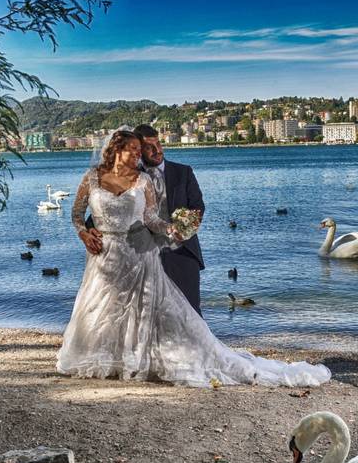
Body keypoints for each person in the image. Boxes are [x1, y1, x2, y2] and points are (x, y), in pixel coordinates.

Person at [57, 131, 331, 387]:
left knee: (145, 310)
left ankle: (140, 358)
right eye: (133, 150)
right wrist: (84, 234)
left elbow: (151, 218)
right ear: (115, 150)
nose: (138, 156)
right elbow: (77, 214)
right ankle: (109, 359)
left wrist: (172, 229)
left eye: (140, 151)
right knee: (104, 308)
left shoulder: (143, 181)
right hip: (104, 257)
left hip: (140, 255)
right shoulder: (92, 178)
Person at [80, 124, 205, 315]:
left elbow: (197, 207)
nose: (157, 150)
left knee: (190, 313)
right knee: (149, 315)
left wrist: (183, 230)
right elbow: (107, 209)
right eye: (149, 146)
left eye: (159, 144)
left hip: (182, 253)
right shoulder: (131, 177)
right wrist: (90, 231)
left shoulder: (183, 172)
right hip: (143, 255)